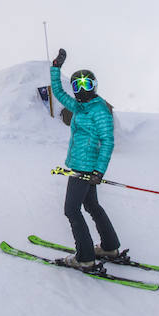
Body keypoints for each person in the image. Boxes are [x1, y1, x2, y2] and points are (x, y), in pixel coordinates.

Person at [49, 48, 119, 269]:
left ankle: (85, 257)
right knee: (92, 205)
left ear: (94, 86)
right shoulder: (80, 107)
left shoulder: (98, 110)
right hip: (80, 167)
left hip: (85, 168)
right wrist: (55, 68)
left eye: (86, 85)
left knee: (71, 210)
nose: (81, 90)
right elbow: (58, 94)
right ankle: (109, 246)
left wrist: (99, 171)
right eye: (77, 86)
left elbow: (108, 141)